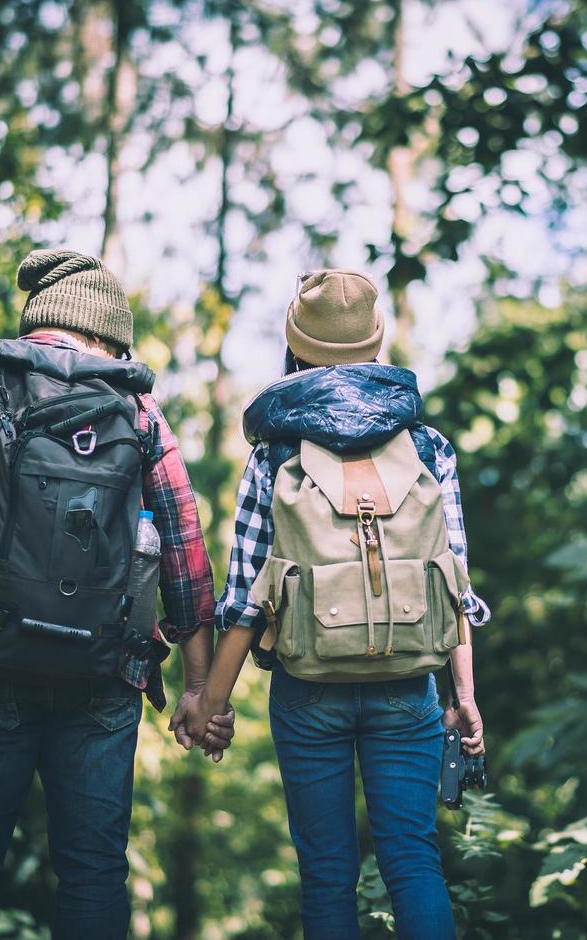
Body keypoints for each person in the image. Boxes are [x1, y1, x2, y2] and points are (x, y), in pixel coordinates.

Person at [0, 249, 233, 940]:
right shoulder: (140, 413)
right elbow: (186, 567)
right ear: (109, 338)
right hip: (102, 675)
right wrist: (200, 688)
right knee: (92, 869)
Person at [174, 269, 490, 940]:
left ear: (297, 350)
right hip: (408, 684)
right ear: (377, 348)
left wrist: (211, 701)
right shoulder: (428, 448)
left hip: (307, 688)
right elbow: (452, 581)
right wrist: (463, 692)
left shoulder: (274, 455)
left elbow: (244, 598)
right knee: (411, 858)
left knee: (325, 874)